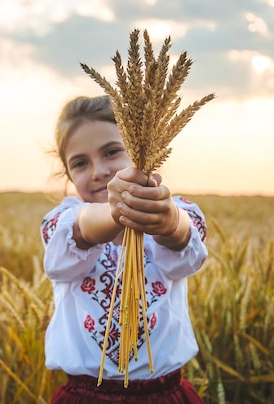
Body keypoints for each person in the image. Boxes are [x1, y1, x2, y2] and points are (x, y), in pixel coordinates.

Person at [40, 95, 209, 403]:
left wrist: (169, 220)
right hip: (85, 396)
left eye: (112, 152)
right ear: (67, 175)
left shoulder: (171, 212)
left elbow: (186, 247)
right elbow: (82, 227)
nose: (98, 171)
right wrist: (115, 213)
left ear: (143, 153)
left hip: (163, 394)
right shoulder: (63, 222)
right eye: (80, 163)